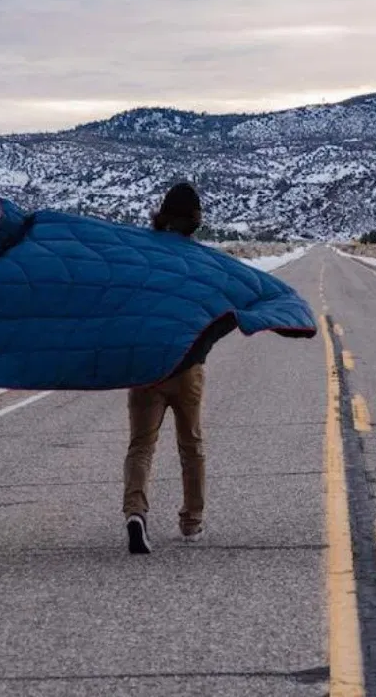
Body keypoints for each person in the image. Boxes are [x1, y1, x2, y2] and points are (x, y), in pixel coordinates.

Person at [123, 182, 221, 554]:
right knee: (191, 445)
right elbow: (214, 310)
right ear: (195, 220)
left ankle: (135, 512)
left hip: (146, 365)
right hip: (187, 366)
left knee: (141, 446)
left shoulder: (139, 256)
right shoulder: (201, 261)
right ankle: (191, 521)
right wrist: (204, 347)